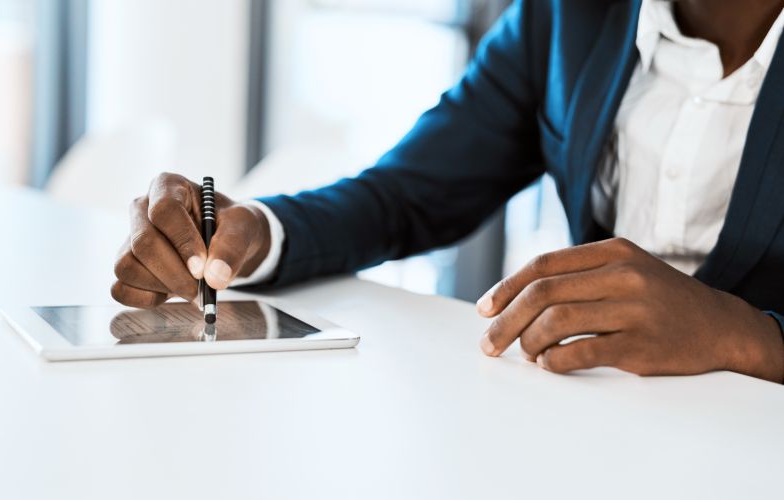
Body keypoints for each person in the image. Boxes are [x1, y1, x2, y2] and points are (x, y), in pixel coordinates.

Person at [110, 0, 784, 383]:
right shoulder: (565, 18)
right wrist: (255, 230)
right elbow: (407, 194)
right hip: (599, 424)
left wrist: (750, 337)